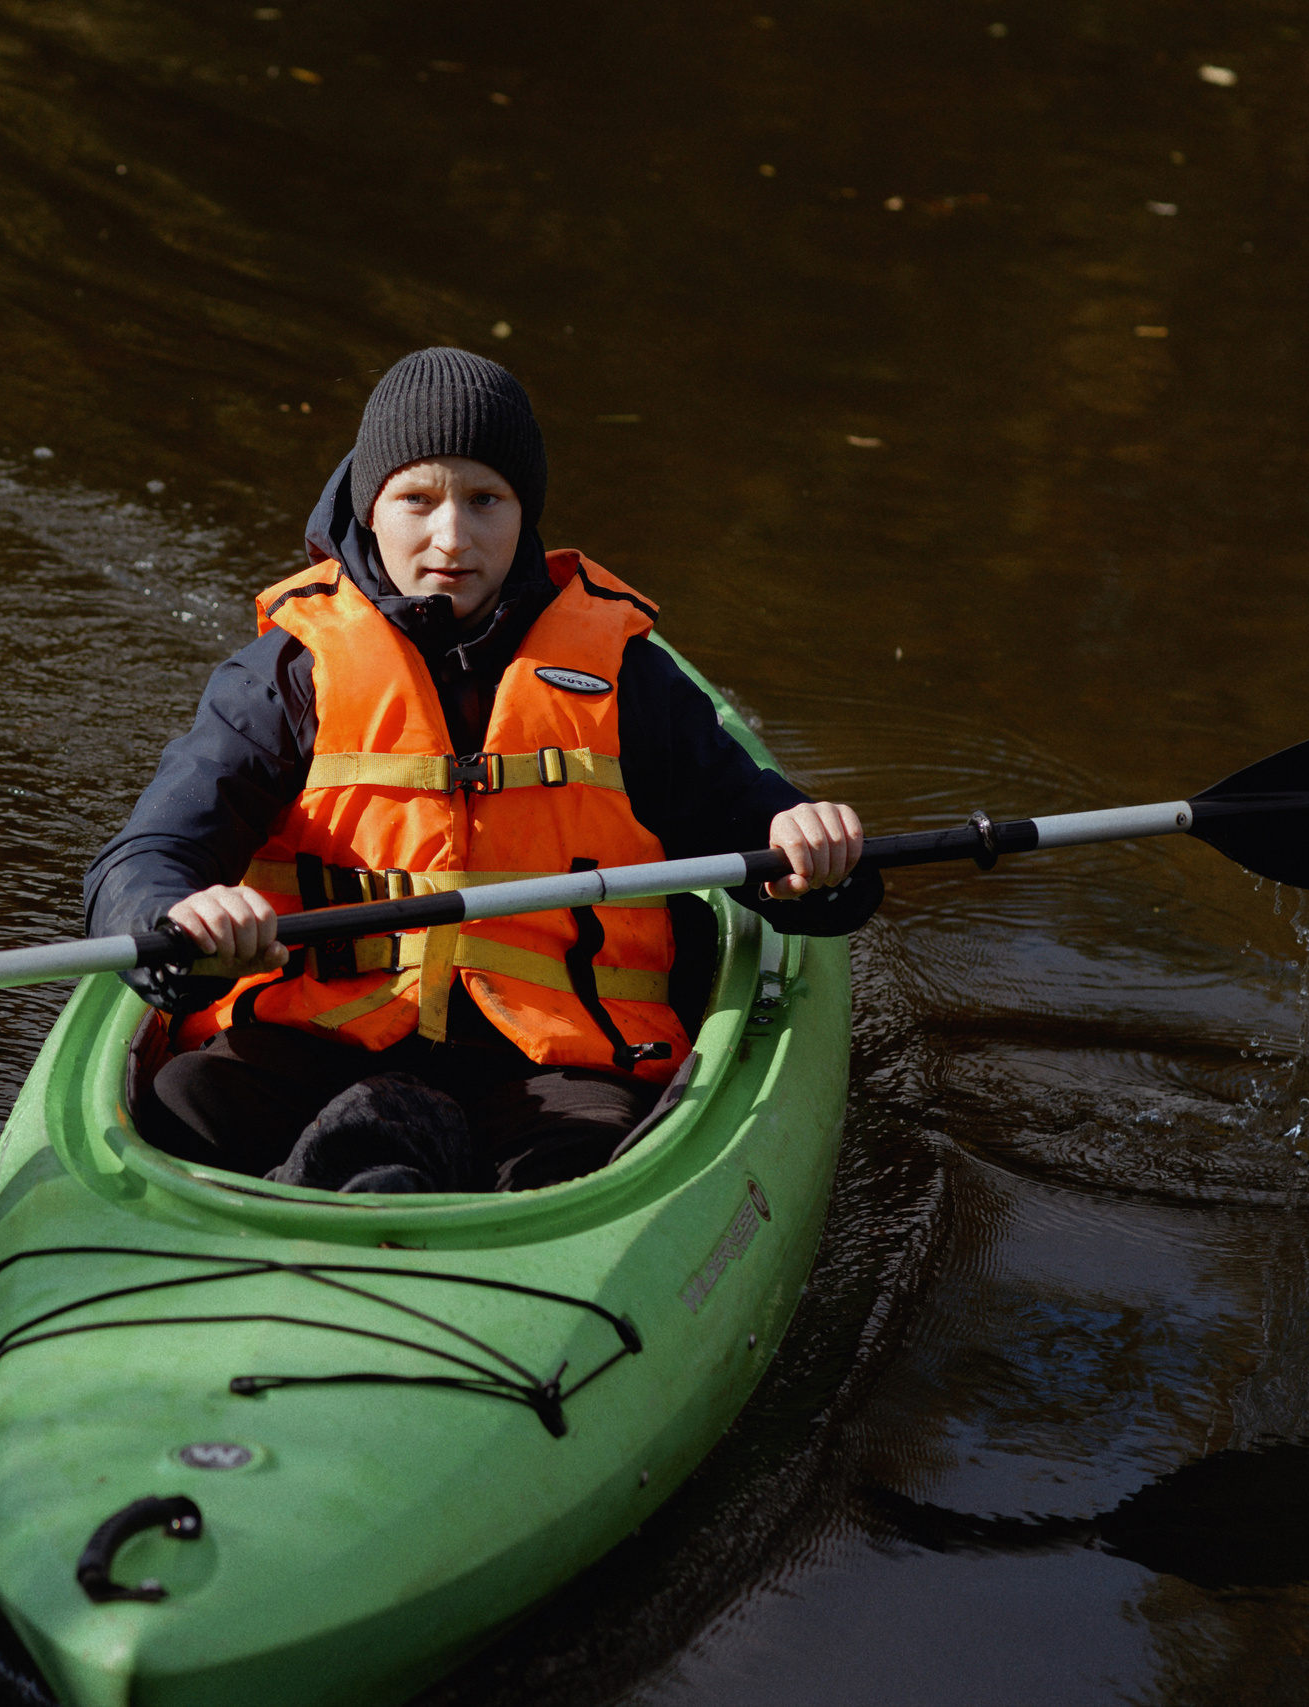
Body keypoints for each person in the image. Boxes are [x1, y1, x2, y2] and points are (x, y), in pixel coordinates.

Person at [84, 348, 878, 1194]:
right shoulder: (286, 677)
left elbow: (751, 825)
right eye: (417, 500)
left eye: (485, 500)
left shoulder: (626, 680)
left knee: (585, 1166)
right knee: (181, 1106)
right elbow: (142, 858)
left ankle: (375, 1184)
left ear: (525, 512)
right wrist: (176, 913)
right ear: (371, 508)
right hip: (318, 1040)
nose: (452, 537)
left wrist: (805, 848)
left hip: (551, 1067)